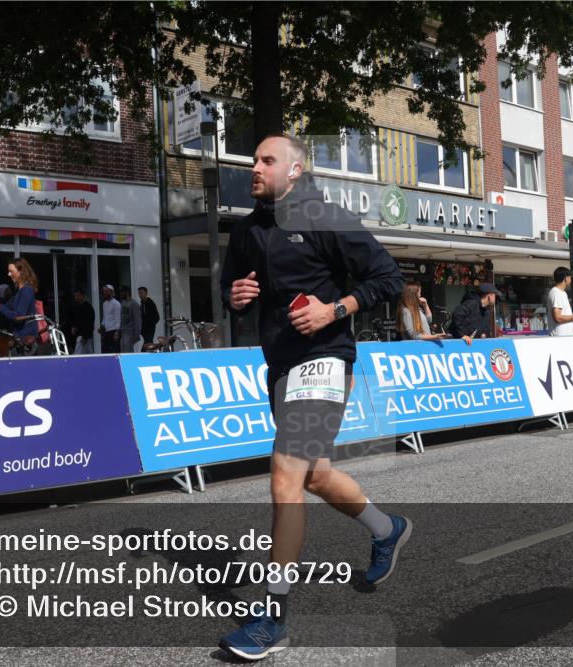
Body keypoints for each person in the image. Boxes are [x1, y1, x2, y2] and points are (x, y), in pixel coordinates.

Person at [218, 134, 407, 661]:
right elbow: (230, 289)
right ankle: (387, 529)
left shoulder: (325, 217)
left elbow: (388, 278)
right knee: (315, 475)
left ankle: (272, 619)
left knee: (283, 475)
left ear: (296, 171)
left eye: (266, 160)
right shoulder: (247, 230)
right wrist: (234, 297)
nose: (253, 167)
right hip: (280, 366)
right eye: (253, 159)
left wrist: (336, 308)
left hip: (325, 359)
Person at [0, 258, 39, 350]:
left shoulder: (26, 290)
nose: (9, 274)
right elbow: (6, 308)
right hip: (20, 341)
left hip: (26, 343)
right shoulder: (19, 291)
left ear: (21, 271)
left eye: (11, 271)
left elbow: (18, 317)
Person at [547, 267, 573, 336]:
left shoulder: (562, 293)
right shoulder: (556, 293)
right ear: (565, 278)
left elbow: (564, 316)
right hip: (560, 338)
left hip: (566, 337)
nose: (571, 280)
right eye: (570, 277)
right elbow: (558, 318)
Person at [118, 286, 142, 353]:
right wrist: (120, 329)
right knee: (122, 350)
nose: (121, 294)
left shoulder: (134, 304)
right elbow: (121, 317)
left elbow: (137, 320)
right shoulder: (122, 303)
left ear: (127, 292)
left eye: (122, 292)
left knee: (128, 351)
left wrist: (137, 334)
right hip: (123, 331)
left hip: (130, 332)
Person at [71, 289, 95, 354]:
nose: (76, 297)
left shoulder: (88, 307)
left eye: (78, 296)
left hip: (84, 336)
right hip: (80, 335)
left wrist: (85, 336)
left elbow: (89, 323)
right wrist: (74, 327)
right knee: (88, 354)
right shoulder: (77, 307)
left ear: (83, 296)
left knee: (78, 354)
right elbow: (77, 320)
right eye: (75, 296)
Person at [98, 284, 121, 353]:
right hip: (106, 331)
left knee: (114, 350)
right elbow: (105, 317)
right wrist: (101, 326)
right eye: (104, 291)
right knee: (106, 350)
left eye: (106, 291)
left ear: (111, 292)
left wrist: (117, 332)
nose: (104, 293)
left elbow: (118, 318)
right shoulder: (104, 304)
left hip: (113, 331)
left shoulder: (116, 304)